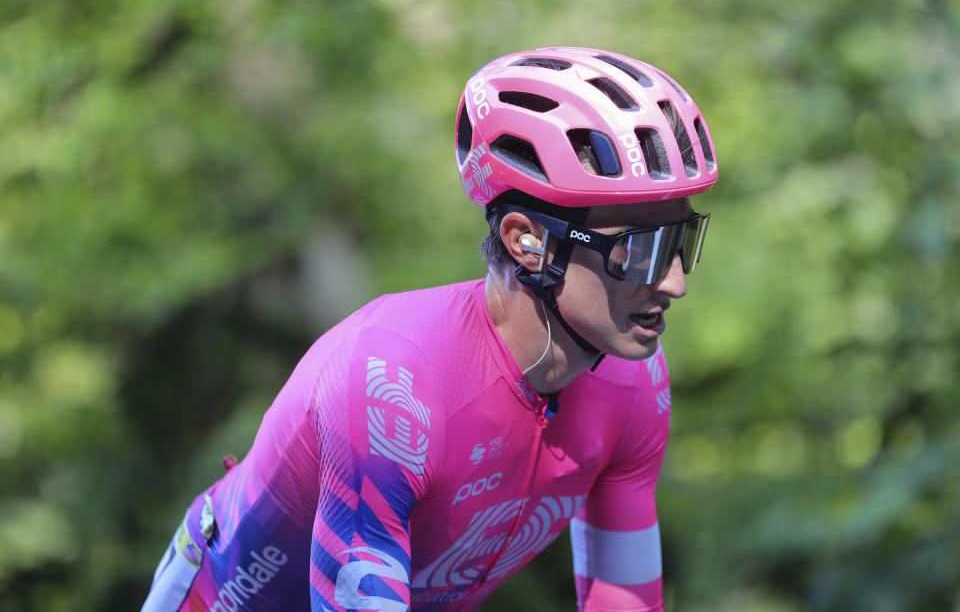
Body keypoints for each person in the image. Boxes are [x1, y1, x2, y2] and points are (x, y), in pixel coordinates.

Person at [141, 46, 718, 612]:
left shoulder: (636, 384)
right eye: (642, 251)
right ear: (529, 242)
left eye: (682, 243)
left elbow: (628, 600)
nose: (674, 283)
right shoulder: (390, 384)